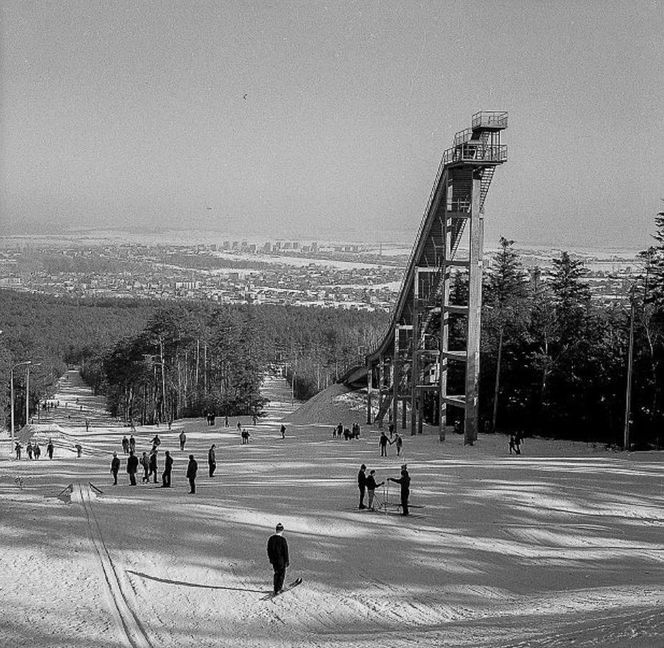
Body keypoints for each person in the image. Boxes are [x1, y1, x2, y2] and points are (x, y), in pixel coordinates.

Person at [267, 522, 289, 596]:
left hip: (274, 561)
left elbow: (268, 550)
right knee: (281, 574)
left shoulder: (271, 539)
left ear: (276, 530)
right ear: (282, 530)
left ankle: (275, 588)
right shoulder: (282, 540)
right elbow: (285, 551)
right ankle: (278, 589)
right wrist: (287, 561)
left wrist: (271, 559)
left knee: (276, 573)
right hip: (281, 561)